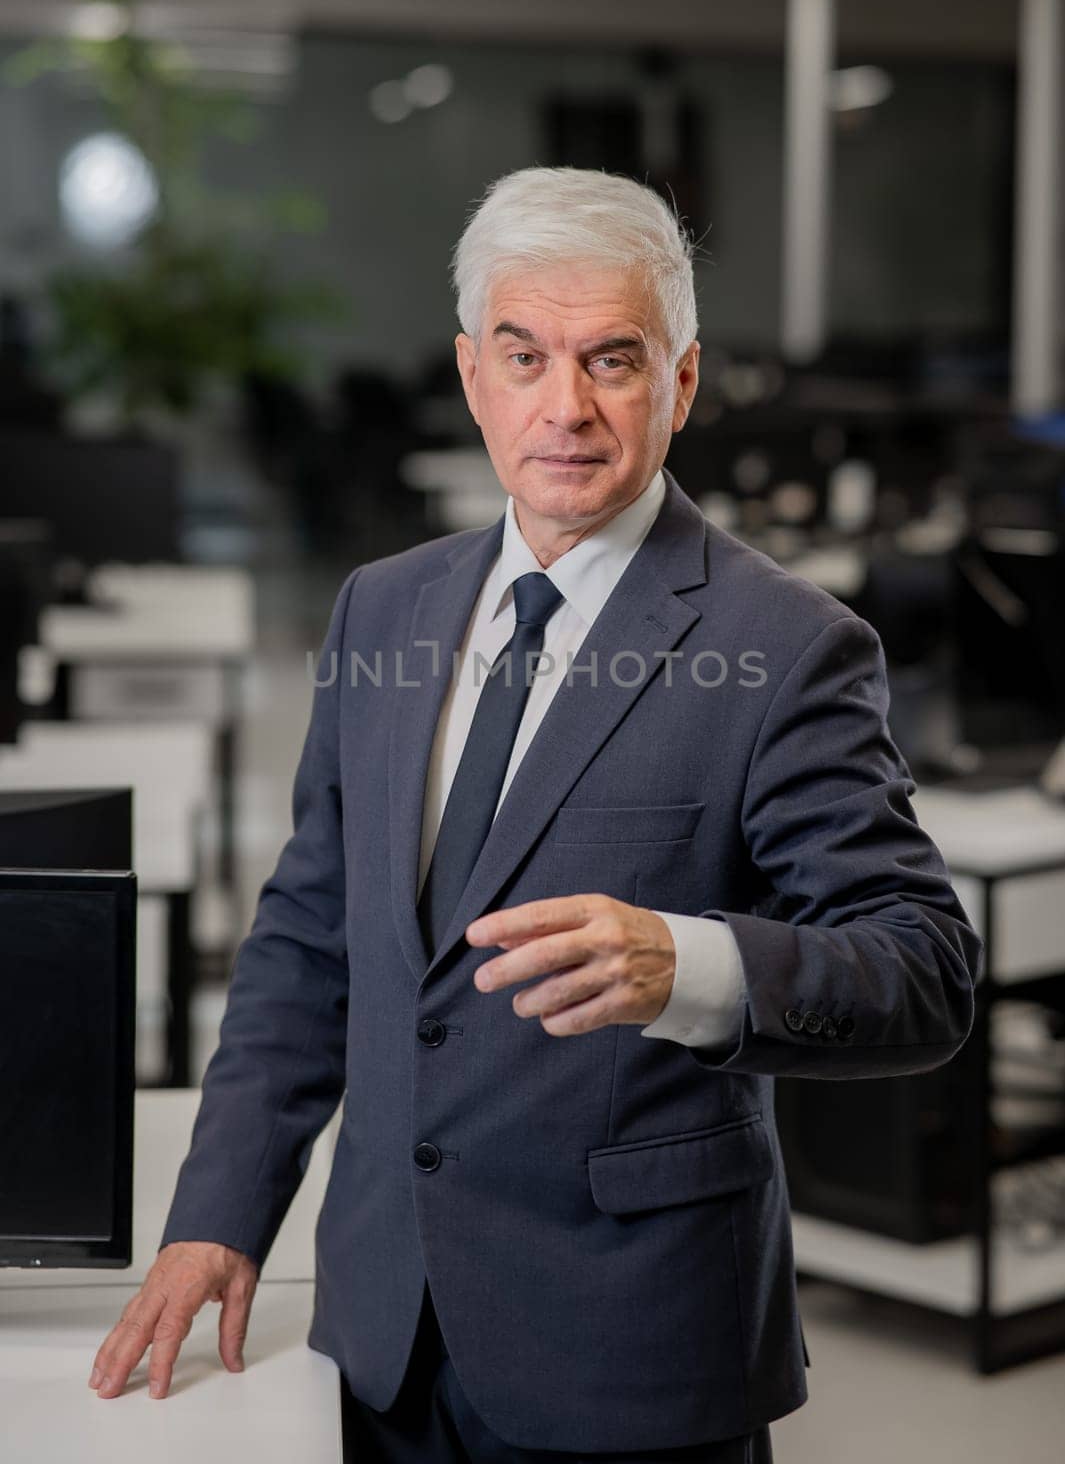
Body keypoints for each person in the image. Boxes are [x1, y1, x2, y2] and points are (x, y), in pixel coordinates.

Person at [87, 167, 981, 1461]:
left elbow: (921, 970)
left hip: (631, 1342)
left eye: (612, 361)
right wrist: (218, 1215)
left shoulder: (786, 645)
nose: (564, 407)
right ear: (470, 375)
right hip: (385, 1324)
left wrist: (692, 964)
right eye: (525, 356)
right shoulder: (382, 611)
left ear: (678, 385)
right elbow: (306, 941)